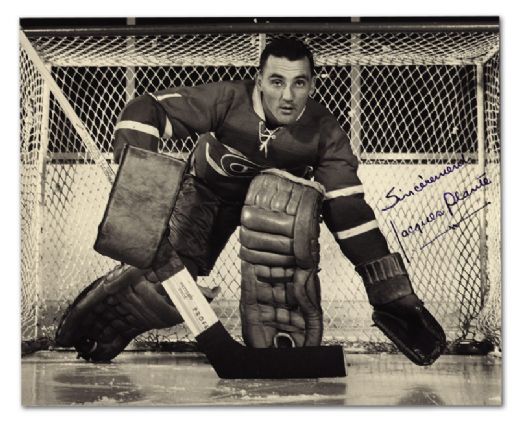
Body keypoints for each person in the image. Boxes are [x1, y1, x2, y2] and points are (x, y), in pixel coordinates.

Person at [56, 38, 446, 365]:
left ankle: (279, 341)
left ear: (313, 85)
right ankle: (126, 302)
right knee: (170, 276)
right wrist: (141, 189)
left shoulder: (326, 132)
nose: (287, 95)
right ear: (258, 80)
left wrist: (388, 289)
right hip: (207, 193)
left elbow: (348, 211)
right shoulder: (228, 99)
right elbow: (146, 109)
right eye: (276, 81)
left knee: (291, 205)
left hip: (274, 211)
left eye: (299, 83)